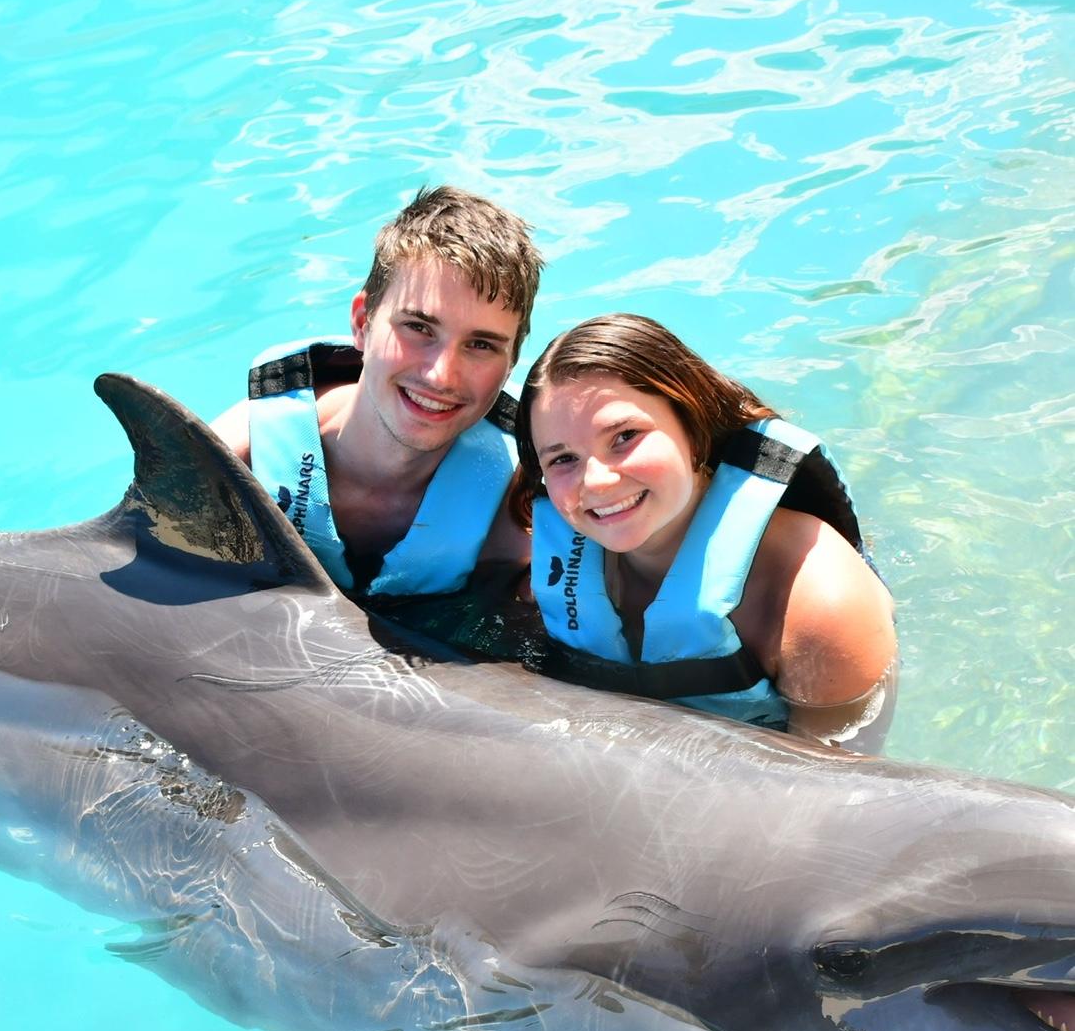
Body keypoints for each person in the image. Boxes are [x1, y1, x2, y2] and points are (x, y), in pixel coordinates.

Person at [513, 313, 897, 745]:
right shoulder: (545, 573)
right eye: (563, 459)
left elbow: (837, 786)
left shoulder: (816, 603)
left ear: (693, 429)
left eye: (624, 436)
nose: (597, 482)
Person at [211, 186, 542, 597]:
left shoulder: (516, 503)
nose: (441, 376)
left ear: (512, 361)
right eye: (418, 328)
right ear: (362, 322)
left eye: (481, 345)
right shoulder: (237, 458)